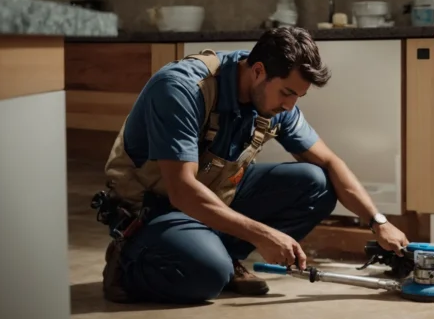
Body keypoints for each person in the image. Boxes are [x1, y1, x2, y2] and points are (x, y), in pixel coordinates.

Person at [96, 27, 409, 304]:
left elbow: (329, 161)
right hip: (155, 208)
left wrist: (377, 220)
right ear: (258, 71)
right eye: (287, 93)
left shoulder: (276, 99)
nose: (290, 105)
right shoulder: (182, 89)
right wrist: (263, 235)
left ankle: (223, 257)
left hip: (212, 197)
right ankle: (131, 264)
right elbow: (181, 190)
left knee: (317, 183)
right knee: (206, 276)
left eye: (298, 96)